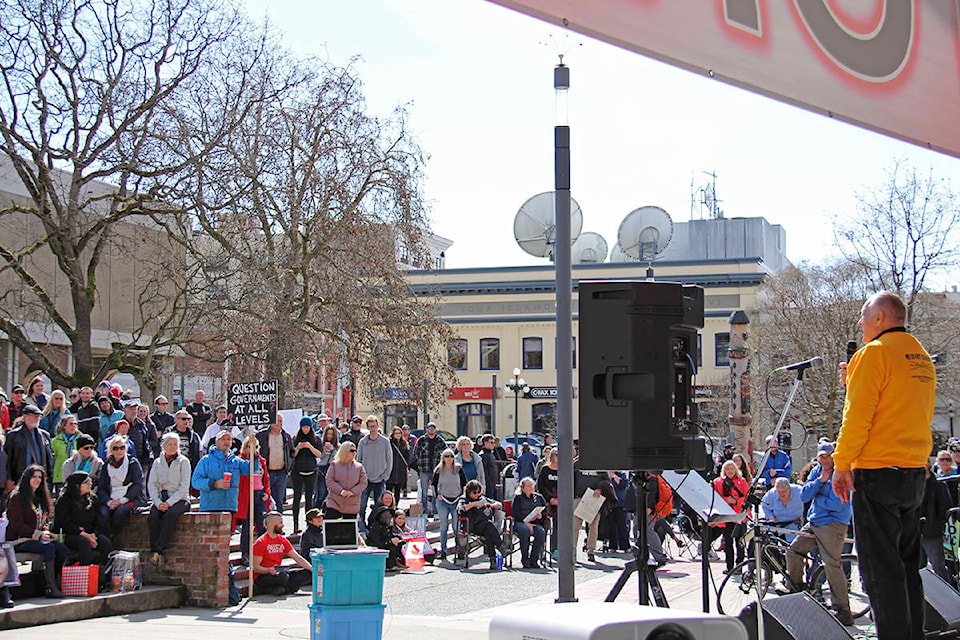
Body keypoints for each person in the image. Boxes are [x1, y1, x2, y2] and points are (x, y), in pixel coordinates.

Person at [832, 291, 937, 640]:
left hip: (877, 471)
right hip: (912, 471)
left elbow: (857, 417)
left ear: (879, 318)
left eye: (864, 316)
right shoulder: (921, 357)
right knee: (908, 568)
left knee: (880, 572)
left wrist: (841, 463)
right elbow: (907, 409)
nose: (860, 323)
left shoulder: (873, 354)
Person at [788, 442, 855, 626]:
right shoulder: (817, 471)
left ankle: (843, 609)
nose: (823, 459)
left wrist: (817, 495)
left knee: (831, 564)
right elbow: (803, 496)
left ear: (834, 456)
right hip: (814, 521)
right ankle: (797, 590)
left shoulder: (843, 472)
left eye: (827, 456)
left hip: (833, 524)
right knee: (793, 551)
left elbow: (837, 503)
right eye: (821, 456)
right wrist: (820, 482)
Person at [7, 465, 69, 597]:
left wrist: (46, 532)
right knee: (48, 548)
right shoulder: (16, 498)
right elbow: (17, 524)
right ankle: (50, 587)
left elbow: (43, 521)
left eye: (40, 477)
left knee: (61, 549)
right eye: (34, 477)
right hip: (20, 540)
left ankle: (51, 581)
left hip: (38, 538)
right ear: (27, 478)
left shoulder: (40, 497)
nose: (37, 480)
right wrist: (38, 535)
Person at [53, 471, 113, 585]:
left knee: (105, 543)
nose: (90, 484)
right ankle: (84, 580)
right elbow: (64, 523)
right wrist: (84, 534)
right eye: (87, 482)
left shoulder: (93, 499)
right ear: (77, 485)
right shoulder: (64, 500)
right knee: (84, 543)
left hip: (90, 533)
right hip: (69, 534)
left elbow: (98, 521)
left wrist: (94, 535)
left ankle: (107, 579)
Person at [147, 432, 192, 565]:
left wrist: (169, 503)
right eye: (169, 444)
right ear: (163, 446)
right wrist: (158, 502)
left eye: (175, 444)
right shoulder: (157, 462)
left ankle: (158, 549)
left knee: (169, 516)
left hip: (180, 499)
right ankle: (154, 550)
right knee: (153, 517)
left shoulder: (184, 462)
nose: (172, 447)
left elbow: (184, 486)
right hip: (161, 497)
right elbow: (152, 484)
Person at [252, 512, 313, 596]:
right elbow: (255, 568)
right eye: (280, 523)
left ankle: (279, 589)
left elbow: (297, 558)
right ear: (273, 524)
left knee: (307, 574)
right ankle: (285, 588)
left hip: (279, 572)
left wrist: (312, 569)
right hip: (264, 576)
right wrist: (268, 570)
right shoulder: (260, 542)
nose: (283, 525)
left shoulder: (282, 540)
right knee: (283, 577)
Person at [97, 434, 146, 536]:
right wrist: (109, 502)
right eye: (116, 448)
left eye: (122, 448)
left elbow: (137, 484)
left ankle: (113, 536)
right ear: (111, 450)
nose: (119, 451)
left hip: (130, 498)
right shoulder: (106, 465)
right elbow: (101, 487)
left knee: (120, 512)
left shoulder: (132, 463)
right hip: (110, 498)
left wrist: (122, 500)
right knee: (103, 513)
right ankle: (105, 538)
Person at [191, 430, 250, 513]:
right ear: (216, 442)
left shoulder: (236, 461)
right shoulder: (206, 460)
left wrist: (254, 452)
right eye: (223, 439)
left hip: (230, 507)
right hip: (210, 507)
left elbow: (250, 469)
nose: (226, 442)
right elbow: (195, 481)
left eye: (228, 439)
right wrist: (214, 483)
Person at [235, 434, 271, 561]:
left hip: (259, 494)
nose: (254, 449)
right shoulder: (241, 460)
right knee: (247, 526)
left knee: (262, 525)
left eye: (256, 446)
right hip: (247, 495)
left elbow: (266, 478)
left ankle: (261, 553)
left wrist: (267, 492)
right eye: (251, 446)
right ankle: (245, 553)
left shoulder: (261, 460)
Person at [457, 479, 507, 570]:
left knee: (488, 532)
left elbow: (499, 504)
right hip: (472, 526)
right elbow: (460, 509)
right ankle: (500, 546)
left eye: (479, 492)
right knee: (489, 526)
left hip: (485, 526)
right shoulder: (464, 499)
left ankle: (493, 560)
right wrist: (474, 504)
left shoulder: (482, 498)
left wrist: (490, 505)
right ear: (469, 492)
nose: (477, 494)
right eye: (474, 492)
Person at [710, 459, 749, 573]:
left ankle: (739, 566)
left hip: (739, 515)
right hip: (726, 516)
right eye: (727, 469)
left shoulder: (742, 481)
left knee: (740, 542)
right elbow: (716, 498)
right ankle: (729, 566)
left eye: (732, 469)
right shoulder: (718, 482)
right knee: (727, 542)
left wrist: (737, 501)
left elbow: (747, 497)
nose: (730, 471)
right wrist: (728, 500)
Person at [4, 404, 54, 490]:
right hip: (20, 477)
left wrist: (48, 475)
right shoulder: (13, 435)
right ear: (25, 416)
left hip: (40, 479)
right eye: (34, 416)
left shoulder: (44, 435)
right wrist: (9, 479)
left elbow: (49, 457)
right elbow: (8, 459)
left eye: (38, 416)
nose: (36, 418)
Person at [356, 415, 392, 530]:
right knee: (362, 505)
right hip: (365, 480)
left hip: (380, 479)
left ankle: (376, 527)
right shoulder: (363, 442)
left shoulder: (385, 442)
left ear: (378, 426)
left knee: (379, 506)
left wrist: (385, 476)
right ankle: (361, 527)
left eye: (375, 426)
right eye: (371, 426)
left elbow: (389, 460)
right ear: (367, 427)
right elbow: (358, 460)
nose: (373, 429)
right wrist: (361, 476)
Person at [920, 463, 954, 585]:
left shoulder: (939, 485)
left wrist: (935, 524)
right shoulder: (912, 484)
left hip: (932, 532)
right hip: (914, 531)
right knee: (918, 567)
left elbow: (945, 508)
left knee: (938, 566)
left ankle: (946, 595)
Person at [432, 448, 467, 559]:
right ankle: (443, 550)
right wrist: (437, 495)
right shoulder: (438, 470)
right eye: (446, 456)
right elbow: (433, 484)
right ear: (443, 458)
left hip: (456, 500)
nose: (449, 458)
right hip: (443, 500)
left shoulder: (458, 469)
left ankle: (459, 549)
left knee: (456, 526)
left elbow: (464, 484)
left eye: (451, 456)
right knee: (443, 526)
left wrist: (462, 497)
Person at [256, 414, 294, 513]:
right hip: (267, 472)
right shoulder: (262, 435)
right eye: (278, 421)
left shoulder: (286, 436)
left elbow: (291, 453)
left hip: (281, 472)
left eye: (281, 421)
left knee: (279, 500)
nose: (280, 423)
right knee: (265, 498)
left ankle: (279, 523)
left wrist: (289, 466)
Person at [289, 417, 321, 532]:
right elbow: (292, 455)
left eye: (307, 427)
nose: (305, 429)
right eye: (303, 427)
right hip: (298, 471)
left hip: (311, 471)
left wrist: (309, 446)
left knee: (309, 499)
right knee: (296, 498)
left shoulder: (316, 439)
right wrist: (298, 448)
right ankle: (295, 525)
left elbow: (319, 454)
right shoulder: (295, 439)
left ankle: (309, 525)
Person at [324, 441, 368, 520]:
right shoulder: (334, 465)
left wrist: (352, 492)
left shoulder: (359, 467)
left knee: (349, 530)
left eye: (355, 450)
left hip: (352, 505)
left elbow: (363, 483)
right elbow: (329, 480)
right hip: (334, 503)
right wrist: (341, 491)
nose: (354, 453)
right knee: (330, 528)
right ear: (344, 451)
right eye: (351, 450)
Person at [512, 477, 548, 568]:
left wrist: (541, 516)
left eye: (532, 485)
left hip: (536, 523)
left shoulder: (539, 498)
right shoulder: (518, 498)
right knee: (524, 530)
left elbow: (545, 511)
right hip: (521, 522)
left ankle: (534, 559)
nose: (531, 487)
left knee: (541, 532)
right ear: (523, 488)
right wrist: (526, 523)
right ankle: (525, 559)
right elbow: (515, 513)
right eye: (529, 486)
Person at [411, 422, 445, 517]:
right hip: (424, 469)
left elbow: (445, 453)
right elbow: (415, 453)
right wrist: (419, 465)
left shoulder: (440, 441)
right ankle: (425, 512)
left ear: (435, 429)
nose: (431, 429)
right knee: (424, 492)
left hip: (436, 470)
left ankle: (435, 512)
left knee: (435, 492)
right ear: (426, 429)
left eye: (433, 427)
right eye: (429, 427)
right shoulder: (421, 440)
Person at [760, 477, 804, 542]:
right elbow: (764, 505)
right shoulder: (771, 494)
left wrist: (804, 515)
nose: (781, 494)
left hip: (796, 525)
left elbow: (810, 503)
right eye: (779, 492)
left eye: (784, 491)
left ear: (789, 488)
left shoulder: (799, 491)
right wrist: (770, 516)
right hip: (778, 526)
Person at [366, 500, 402, 570]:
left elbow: (390, 536)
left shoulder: (387, 526)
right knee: (391, 547)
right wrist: (390, 541)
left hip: (384, 544)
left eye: (389, 516)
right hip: (377, 547)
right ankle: (388, 565)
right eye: (386, 515)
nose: (388, 517)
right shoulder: (376, 527)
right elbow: (377, 542)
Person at [536, 448, 559, 558]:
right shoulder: (545, 469)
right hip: (547, 502)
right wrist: (550, 499)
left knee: (558, 527)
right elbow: (540, 486)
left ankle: (555, 549)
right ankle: (542, 549)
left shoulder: (564, 470)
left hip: (560, 503)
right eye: (556, 455)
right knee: (545, 525)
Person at [50, 414, 81, 493]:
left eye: (75, 424)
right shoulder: (55, 441)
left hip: (77, 474)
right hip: (60, 476)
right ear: (64, 426)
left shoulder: (81, 439)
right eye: (71, 424)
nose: (73, 426)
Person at [168, 410, 203, 474]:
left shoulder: (193, 435)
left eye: (188, 419)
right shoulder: (168, 433)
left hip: (187, 468)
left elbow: (197, 454)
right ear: (176, 420)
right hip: (171, 467)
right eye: (183, 419)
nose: (186, 421)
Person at [313, 425, 338, 511]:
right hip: (321, 470)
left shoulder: (338, 447)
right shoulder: (321, 444)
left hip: (331, 471)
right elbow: (318, 458)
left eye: (331, 434)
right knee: (320, 494)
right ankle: (314, 513)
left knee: (328, 495)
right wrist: (323, 451)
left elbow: (336, 460)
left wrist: (332, 450)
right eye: (328, 434)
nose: (329, 436)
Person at [386, 426, 410, 500]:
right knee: (388, 489)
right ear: (393, 434)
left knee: (397, 490)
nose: (398, 435)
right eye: (396, 433)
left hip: (400, 469)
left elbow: (407, 456)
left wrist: (406, 467)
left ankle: (395, 505)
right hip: (391, 469)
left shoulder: (404, 443)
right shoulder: (389, 443)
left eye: (399, 433)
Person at [480, 434, 501, 500]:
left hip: (493, 482)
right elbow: (484, 471)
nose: (493, 444)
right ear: (485, 443)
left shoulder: (491, 454)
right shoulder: (483, 455)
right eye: (491, 442)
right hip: (488, 484)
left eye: (494, 442)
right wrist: (489, 482)